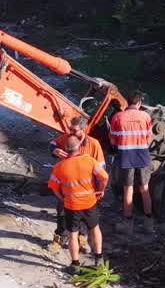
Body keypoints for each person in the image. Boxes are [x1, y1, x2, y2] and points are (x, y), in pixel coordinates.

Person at [48, 135, 108, 274]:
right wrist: (101, 190)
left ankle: (75, 265)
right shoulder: (89, 161)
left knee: (72, 235)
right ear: (79, 146)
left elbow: (53, 187)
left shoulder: (60, 166)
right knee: (95, 229)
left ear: (65, 149)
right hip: (89, 202)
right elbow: (104, 177)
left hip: (71, 206)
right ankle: (98, 260)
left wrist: (63, 199)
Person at [49, 115, 105, 249]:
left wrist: (98, 189)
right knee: (62, 212)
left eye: (74, 130)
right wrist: (54, 150)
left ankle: (81, 238)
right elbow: (52, 143)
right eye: (70, 129)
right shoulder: (66, 139)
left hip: (85, 189)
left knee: (85, 218)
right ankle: (59, 238)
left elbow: (101, 168)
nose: (71, 132)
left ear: (83, 130)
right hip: (67, 188)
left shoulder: (93, 144)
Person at [109, 91, 154, 231]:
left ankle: (127, 223)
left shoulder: (117, 117)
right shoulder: (146, 116)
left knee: (128, 188)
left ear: (127, 102)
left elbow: (112, 140)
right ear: (140, 103)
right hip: (142, 155)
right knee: (144, 188)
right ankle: (148, 223)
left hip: (125, 156)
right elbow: (148, 138)